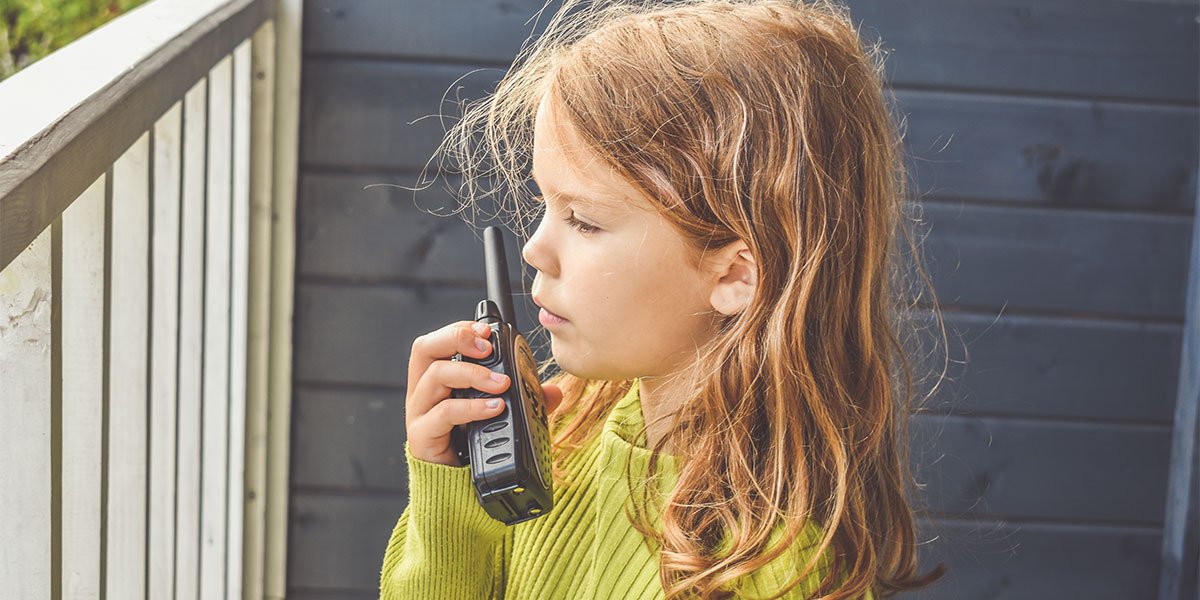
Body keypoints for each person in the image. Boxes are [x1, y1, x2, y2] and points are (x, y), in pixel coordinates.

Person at [382, 0, 950, 597]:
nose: (532, 250)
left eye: (584, 221)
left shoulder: (778, 574)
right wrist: (451, 500)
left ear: (734, 274)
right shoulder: (560, 437)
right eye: (547, 205)